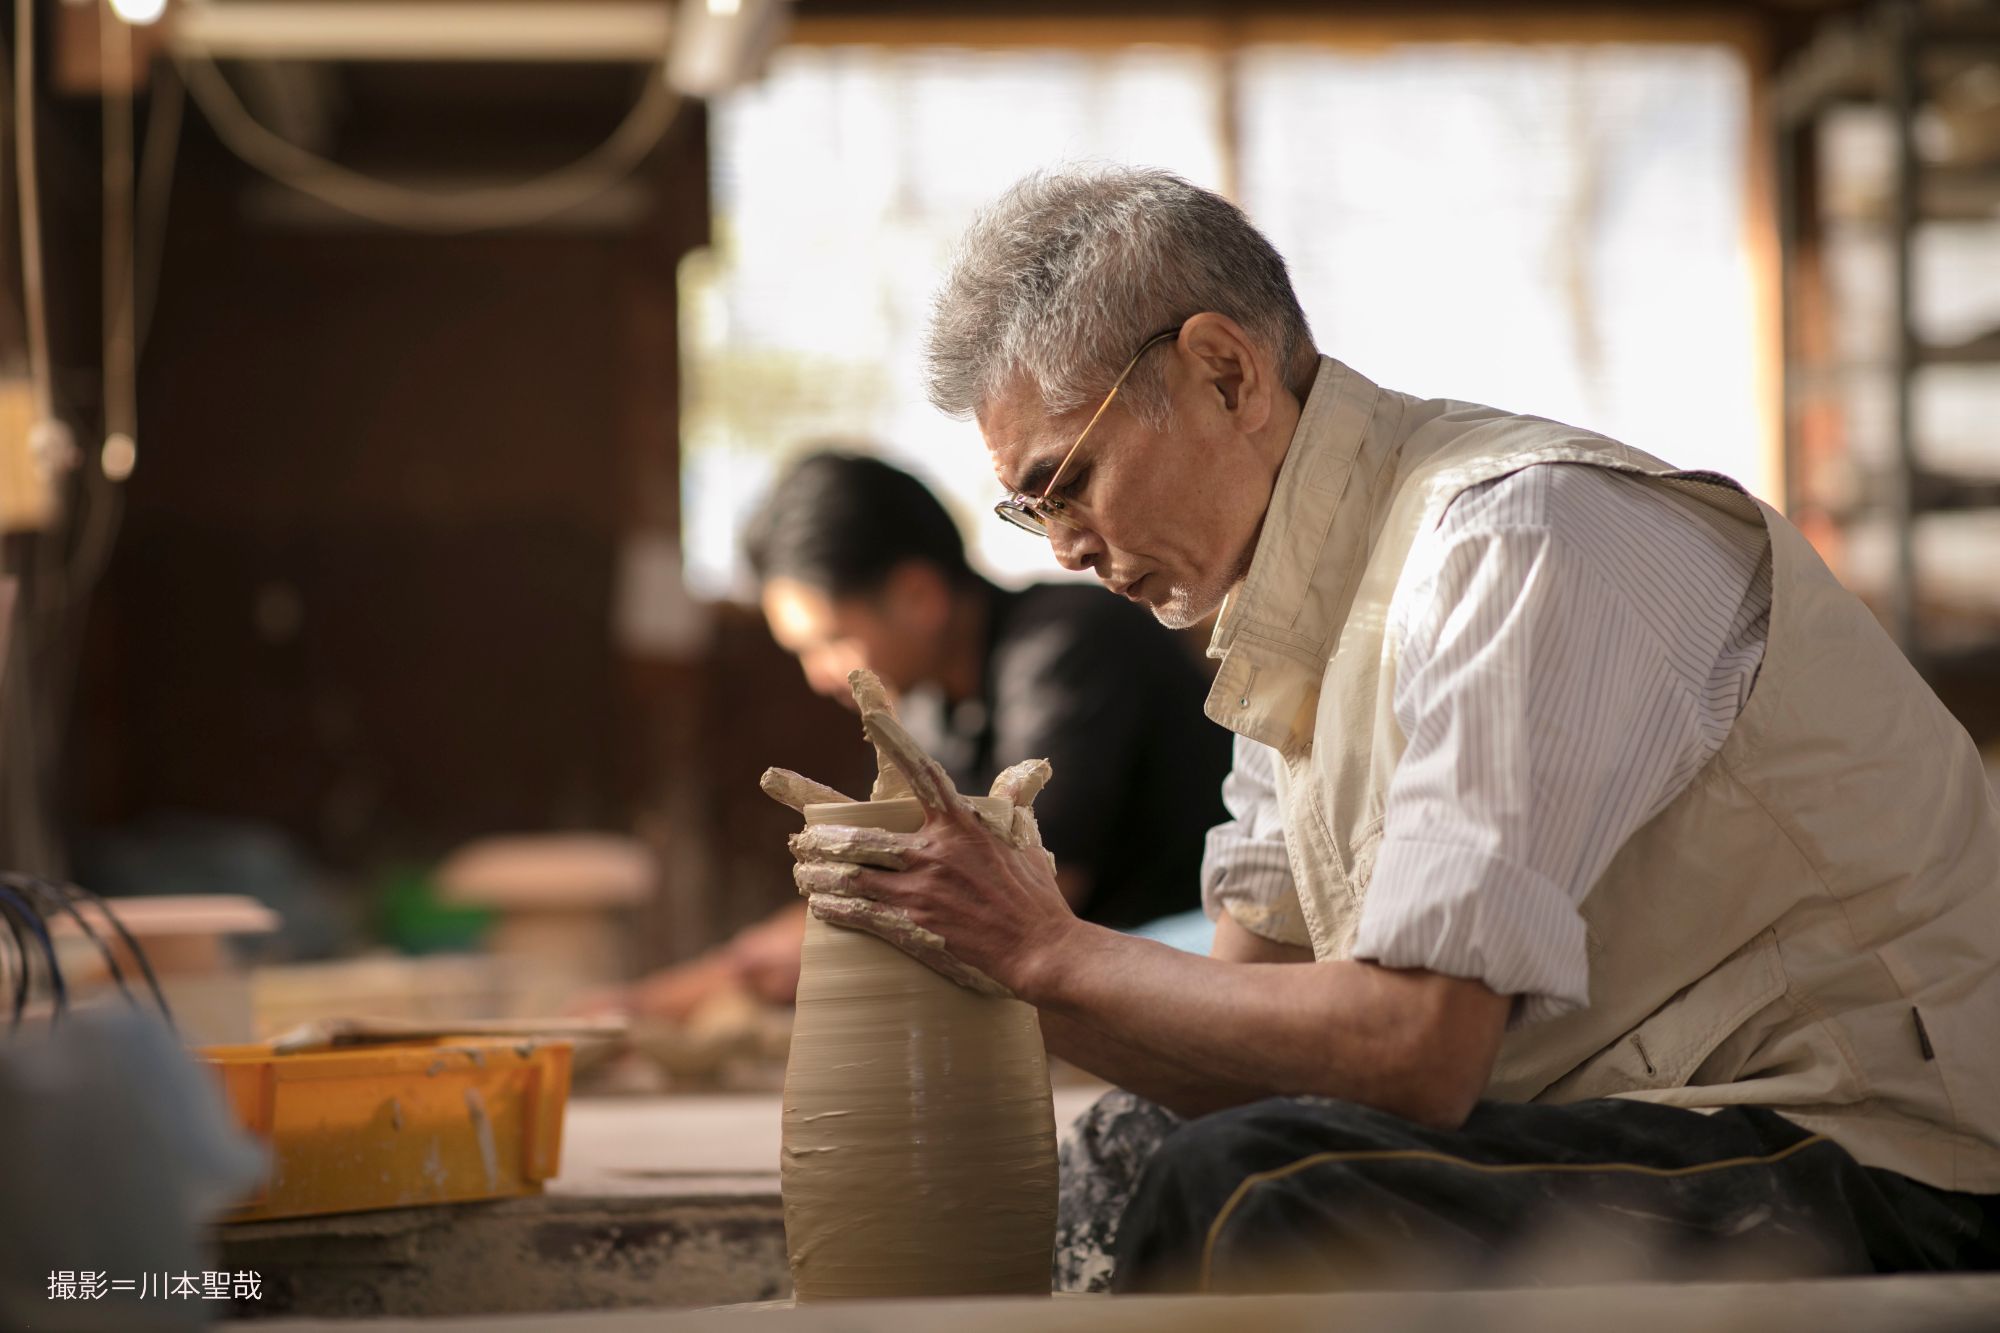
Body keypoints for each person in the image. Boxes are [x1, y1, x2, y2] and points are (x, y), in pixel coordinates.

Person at [784, 166, 2000, 1293]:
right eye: (1026, 507)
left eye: (1068, 481)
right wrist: (977, 952)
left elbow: (1417, 1044)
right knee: (1132, 1145)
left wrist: (1047, 952)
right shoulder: (1284, 618)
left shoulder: (1513, 542)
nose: (1062, 549)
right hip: (1645, 1121)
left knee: (1250, 1187)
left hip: (1879, 1156)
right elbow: (1232, 1043)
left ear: (1223, 372)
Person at [595, 450, 1233, 1019]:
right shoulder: (930, 708)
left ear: (918, 595)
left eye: (830, 641)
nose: (818, 676)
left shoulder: (1068, 644)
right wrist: (666, 999)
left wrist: (786, 960)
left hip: (1204, 957)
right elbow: (881, 872)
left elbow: (1020, 891)